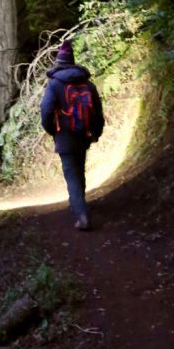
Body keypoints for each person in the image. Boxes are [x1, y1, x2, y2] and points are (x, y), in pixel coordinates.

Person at [40, 39, 104, 231]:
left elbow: (46, 110)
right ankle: (80, 205)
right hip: (84, 133)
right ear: (73, 62)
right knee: (79, 169)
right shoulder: (88, 84)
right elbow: (98, 112)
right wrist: (96, 133)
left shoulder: (54, 84)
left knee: (72, 175)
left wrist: (52, 130)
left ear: (59, 64)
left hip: (64, 134)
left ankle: (81, 215)